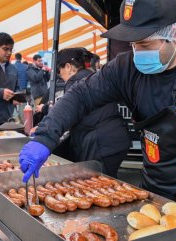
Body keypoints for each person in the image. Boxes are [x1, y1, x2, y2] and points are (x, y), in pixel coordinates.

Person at [18, 1, 176, 240]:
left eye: (146, 44)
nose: (137, 53)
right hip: (149, 191)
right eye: (134, 44)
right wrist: (45, 138)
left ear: (175, 35)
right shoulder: (126, 67)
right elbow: (81, 95)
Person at [56, 47, 131, 177]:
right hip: (116, 138)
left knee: (98, 183)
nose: (60, 75)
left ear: (68, 66)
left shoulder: (75, 82)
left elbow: (70, 112)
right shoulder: (92, 76)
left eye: (59, 70)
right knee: (108, 181)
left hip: (100, 143)